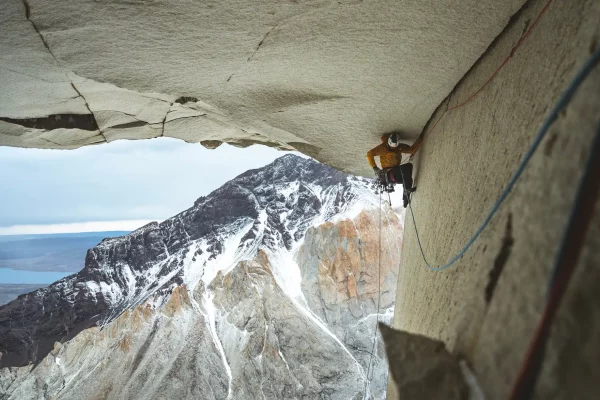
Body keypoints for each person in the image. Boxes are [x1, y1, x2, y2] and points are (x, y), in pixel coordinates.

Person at [366, 132, 418, 207]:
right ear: (388, 143)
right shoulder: (383, 148)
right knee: (407, 168)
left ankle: (406, 198)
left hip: (393, 175)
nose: (393, 148)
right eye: (392, 147)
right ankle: (407, 190)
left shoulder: (399, 147)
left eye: (395, 147)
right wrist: (374, 167)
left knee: (407, 172)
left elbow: (411, 150)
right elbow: (369, 154)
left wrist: (420, 139)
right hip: (389, 173)